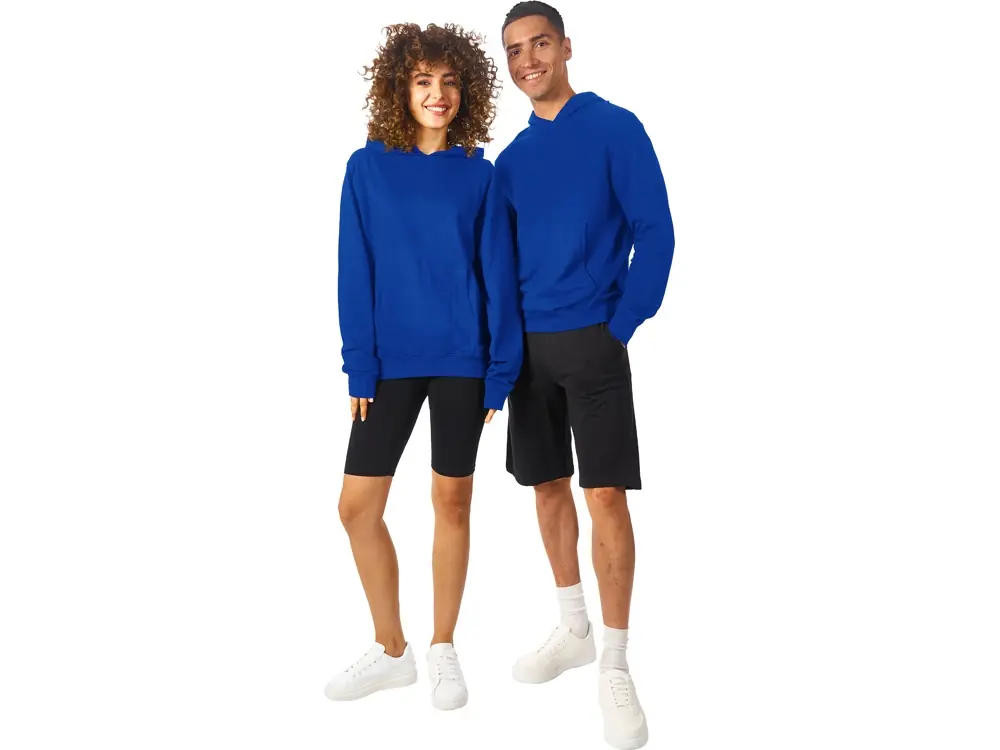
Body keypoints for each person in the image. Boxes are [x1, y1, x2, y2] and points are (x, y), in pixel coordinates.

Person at [492, 2, 675, 748]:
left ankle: (616, 662)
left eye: (540, 43)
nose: (528, 59)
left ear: (566, 47)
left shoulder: (615, 128)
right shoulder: (508, 163)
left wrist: (622, 322)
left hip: (595, 340)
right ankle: (573, 626)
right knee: (546, 486)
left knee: (604, 495)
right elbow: (497, 265)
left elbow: (655, 229)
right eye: (515, 50)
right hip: (528, 351)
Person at [324, 22, 520, 711]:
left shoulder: (480, 175)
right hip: (388, 364)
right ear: (400, 88)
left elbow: (498, 277)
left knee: (452, 501)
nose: (438, 94)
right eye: (423, 80)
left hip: (464, 361)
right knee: (356, 508)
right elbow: (354, 271)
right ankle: (391, 650)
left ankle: (442, 647)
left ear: (466, 90)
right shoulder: (366, 167)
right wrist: (359, 366)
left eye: (450, 81)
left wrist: (502, 369)